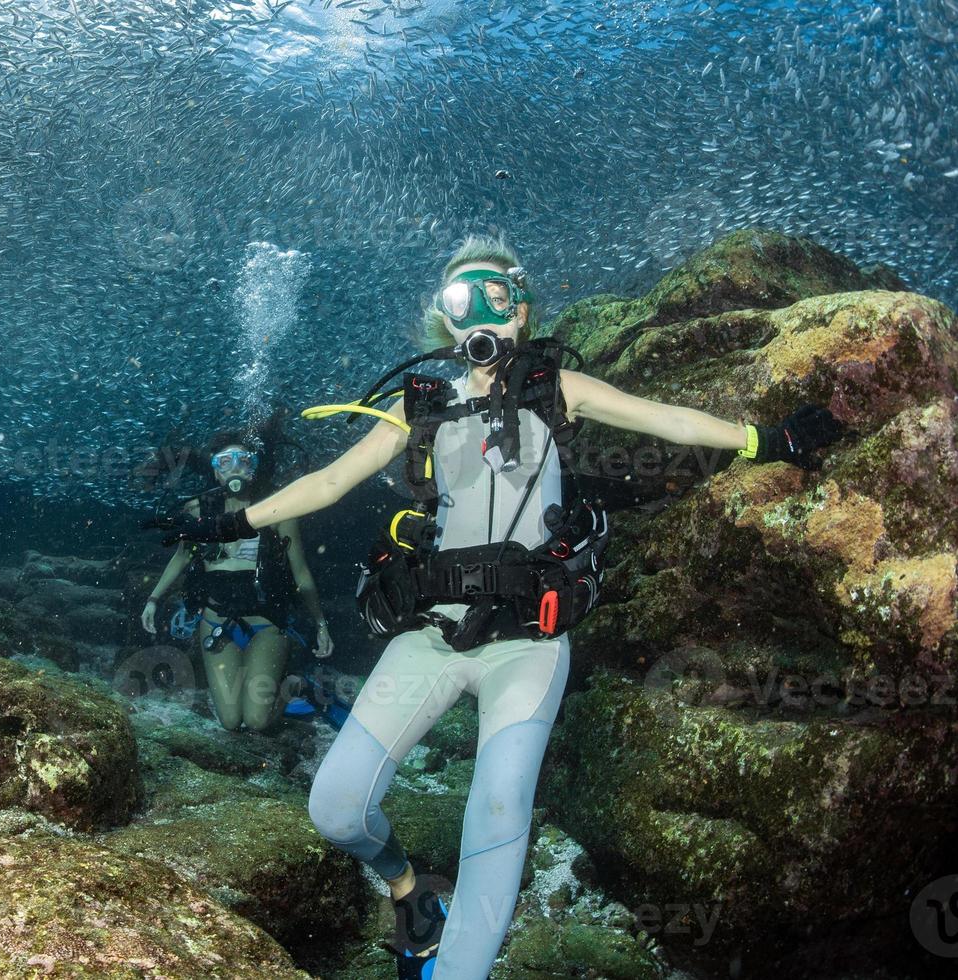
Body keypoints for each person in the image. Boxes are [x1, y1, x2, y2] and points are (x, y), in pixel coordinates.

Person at [146, 232, 845, 979]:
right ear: (443, 323)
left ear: (522, 312)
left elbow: (662, 418)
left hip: (528, 645)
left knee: (502, 807)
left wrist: (765, 439)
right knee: (337, 811)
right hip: (431, 634)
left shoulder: (555, 388)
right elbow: (326, 484)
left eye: (498, 296)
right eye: (461, 300)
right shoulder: (413, 408)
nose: (481, 312)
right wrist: (226, 523)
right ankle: (409, 891)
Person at [141, 427, 335, 732]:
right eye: (224, 462)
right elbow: (181, 556)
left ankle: (294, 686)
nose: (234, 469)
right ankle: (254, 681)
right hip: (216, 623)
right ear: (215, 472)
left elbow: (300, 570)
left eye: (243, 461)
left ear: (254, 468)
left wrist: (320, 623)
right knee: (231, 721)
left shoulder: (279, 509)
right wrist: (153, 599)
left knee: (256, 721)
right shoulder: (198, 510)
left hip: (267, 623)